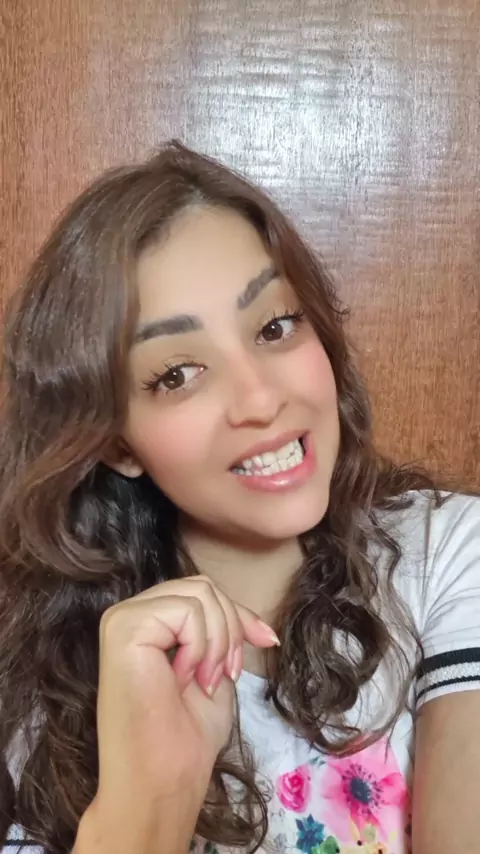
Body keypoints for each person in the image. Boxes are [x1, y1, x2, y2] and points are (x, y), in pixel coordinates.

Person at [0, 141, 478, 854]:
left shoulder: (446, 554)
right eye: (177, 374)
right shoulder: (37, 698)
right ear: (115, 441)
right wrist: (149, 804)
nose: (260, 400)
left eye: (275, 327)